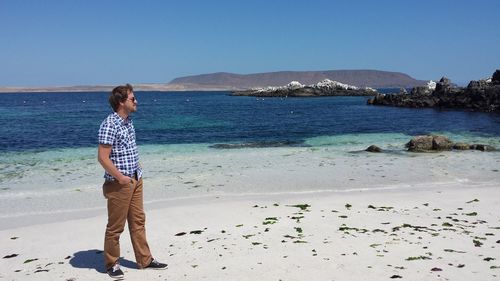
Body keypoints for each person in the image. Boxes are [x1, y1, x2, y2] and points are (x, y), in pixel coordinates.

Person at [98, 84, 167, 279]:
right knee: (115, 226)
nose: (136, 102)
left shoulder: (128, 122)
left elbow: (127, 151)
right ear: (121, 102)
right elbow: (103, 158)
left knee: (138, 221)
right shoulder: (109, 124)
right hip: (119, 184)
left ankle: (145, 260)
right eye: (132, 99)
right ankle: (112, 264)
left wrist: (138, 170)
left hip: (136, 178)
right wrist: (120, 177)